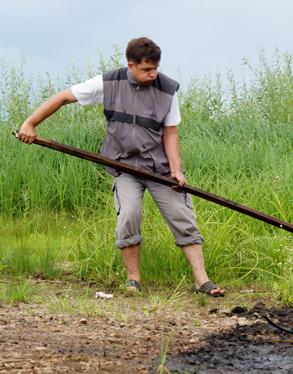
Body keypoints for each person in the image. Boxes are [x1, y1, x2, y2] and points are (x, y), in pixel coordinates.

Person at [17, 37, 225, 297]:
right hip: (123, 165)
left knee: (182, 218)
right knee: (128, 215)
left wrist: (177, 170)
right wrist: (30, 124)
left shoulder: (167, 90)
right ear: (131, 65)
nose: (153, 74)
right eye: (147, 69)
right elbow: (62, 98)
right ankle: (133, 281)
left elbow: (170, 133)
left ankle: (202, 282)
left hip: (158, 168)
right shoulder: (108, 83)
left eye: (156, 68)